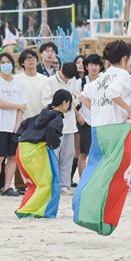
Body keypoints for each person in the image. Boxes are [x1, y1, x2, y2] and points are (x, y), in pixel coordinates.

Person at [74, 39, 131, 235]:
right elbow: (112, 92)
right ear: (125, 58)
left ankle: (82, 207)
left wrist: (97, 110)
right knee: (117, 175)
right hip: (117, 127)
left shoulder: (102, 76)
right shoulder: (123, 75)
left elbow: (82, 95)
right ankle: (104, 220)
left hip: (99, 127)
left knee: (96, 168)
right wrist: (129, 110)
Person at [15, 89, 73, 218]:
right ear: (64, 103)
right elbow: (51, 129)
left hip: (22, 148)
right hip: (36, 150)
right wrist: (54, 144)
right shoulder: (57, 117)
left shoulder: (44, 113)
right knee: (47, 183)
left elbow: (25, 123)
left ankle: (25, 207)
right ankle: (27, 210)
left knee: (34, 184)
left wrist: (17, 138)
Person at [0, 53, 27, 197]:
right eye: (3, 62)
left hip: (14, 127)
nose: (6, 65)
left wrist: (18, 124)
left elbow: (23, 106)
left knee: (12, 158)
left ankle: (7, 186)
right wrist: (17, 106)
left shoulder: (19, 84)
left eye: (8, 62)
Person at [41, 61, 80, 196]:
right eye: (65, 77)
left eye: (69, 78)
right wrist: (60, 106)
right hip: (54, 126)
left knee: (68, 156)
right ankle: (51, 184)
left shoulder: (73, 81)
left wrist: (71, 102)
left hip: (70, 125)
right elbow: (45, 101)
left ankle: (64, 185)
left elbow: (77, 99)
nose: (66, 80)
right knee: (53, 156)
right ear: (61, 69)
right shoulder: (50, 81)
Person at [75, 53, 102, 176]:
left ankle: (96, 179)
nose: (94, 67)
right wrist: (78, 115)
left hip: (101, 121)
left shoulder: (104, 81)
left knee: (99, 153)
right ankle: (83, 180)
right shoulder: (80, 82)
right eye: (91, 65)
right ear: (86, 66)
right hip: (85, 121)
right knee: (83, 152)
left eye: (96, 64)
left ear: (100, 66)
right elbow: (73, 102)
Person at [14, 49, 47, 118]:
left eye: (34, 58)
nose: (31, 60)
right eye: (28, 58)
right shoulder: (16, 79)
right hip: (23, 119)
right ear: (22, 63)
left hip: (41, 119)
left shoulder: (45, 79)